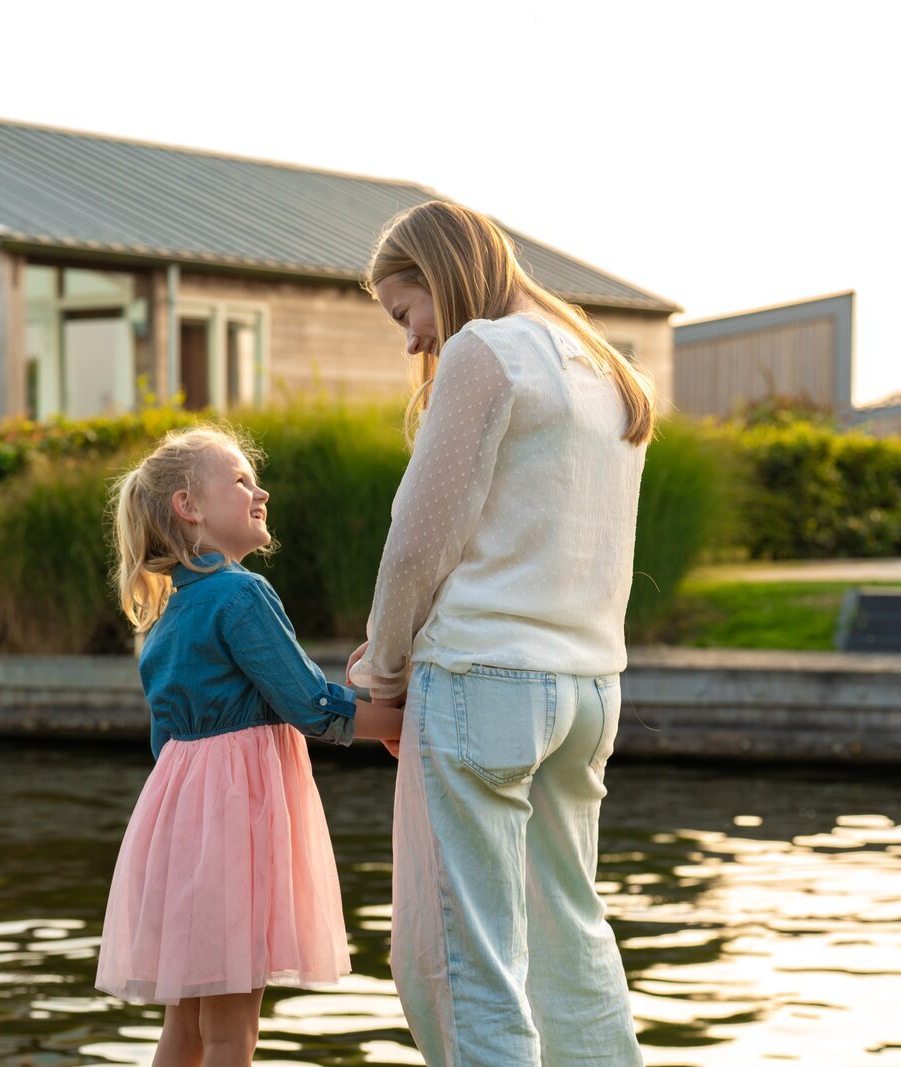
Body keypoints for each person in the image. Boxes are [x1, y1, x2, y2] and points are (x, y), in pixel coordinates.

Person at [346, 199, 652, 1066]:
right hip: (589, 688)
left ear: (443, 274)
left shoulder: (486, 349)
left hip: (483, 679)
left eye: (407, 313)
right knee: (574, 940)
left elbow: (420, 535)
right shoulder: (605, 365)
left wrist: (384, 667)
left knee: (465, 964)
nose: (412, 341)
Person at [95, 424, 404, 1066]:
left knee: (182, 1029)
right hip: (239, 823)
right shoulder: (242, 593)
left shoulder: (166, 618)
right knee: (234, 1032)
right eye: (240, 480)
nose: (260, 491)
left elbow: (165, 741)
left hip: (180, 829)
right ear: (190, 507)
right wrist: (405, 718)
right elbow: (310, 705)